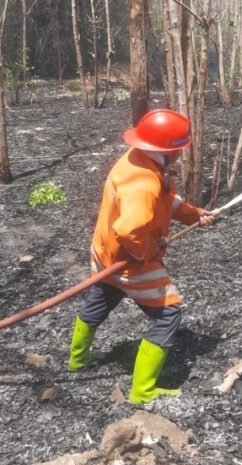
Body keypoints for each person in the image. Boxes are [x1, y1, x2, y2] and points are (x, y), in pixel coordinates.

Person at [68, 109, 216, 404]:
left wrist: (194, 215)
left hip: (105, 254)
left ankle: (78, 359)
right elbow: (130, 229)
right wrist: (148, 251)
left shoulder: (138, 159)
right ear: (167, 150)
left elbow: (164, 201)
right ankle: (143, 391)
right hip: (130, 261)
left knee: (105, 295)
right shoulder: (144, 182)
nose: (180, 154)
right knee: (169, 314)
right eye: (179, 149)